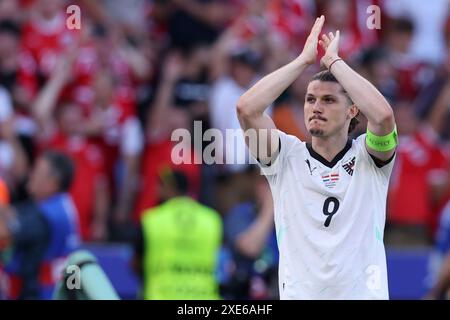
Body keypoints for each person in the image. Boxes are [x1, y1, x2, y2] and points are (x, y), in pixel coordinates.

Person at [236, 16, 397, 299]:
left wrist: (335, 63)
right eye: (310, 99)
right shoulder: (284, 157)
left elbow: (383, 116)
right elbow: (247, 108)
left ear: (352, 111)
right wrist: (302, 61)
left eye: (329, 100)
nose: (315, 107)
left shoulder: (370, 158)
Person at [0, 150, 80, 299]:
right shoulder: (61, 204)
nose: (31, 174)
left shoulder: (46, 216)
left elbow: (4, 231)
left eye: (37, 171)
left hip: (42, 293)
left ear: (53, 183)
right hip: (56, 291)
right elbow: (17, 213)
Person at [134, 169, 222, 300]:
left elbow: (136, 262)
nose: (157, 191)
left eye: (161, 186)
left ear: (170, 188)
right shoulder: (211, 219)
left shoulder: (152, 219)